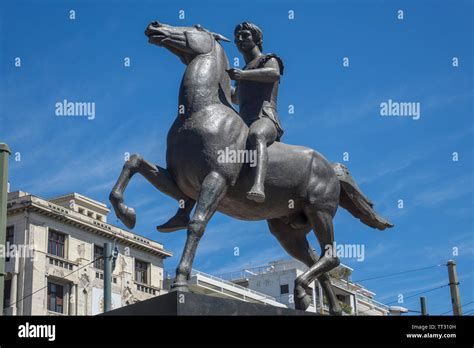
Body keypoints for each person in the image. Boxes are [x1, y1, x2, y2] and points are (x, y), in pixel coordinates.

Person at [156, 22, 284, 232]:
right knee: (206, 162)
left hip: (264, 118)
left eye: (245, 35)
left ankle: (258, 185)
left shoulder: (268, 60)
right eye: (237, 37)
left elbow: (273, 75)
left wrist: (242, 77)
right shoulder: (242, 71)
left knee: (257, 135)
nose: (240, 40)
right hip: (243, 121)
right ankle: (183, 213)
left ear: (257, 38)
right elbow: (234, 97)